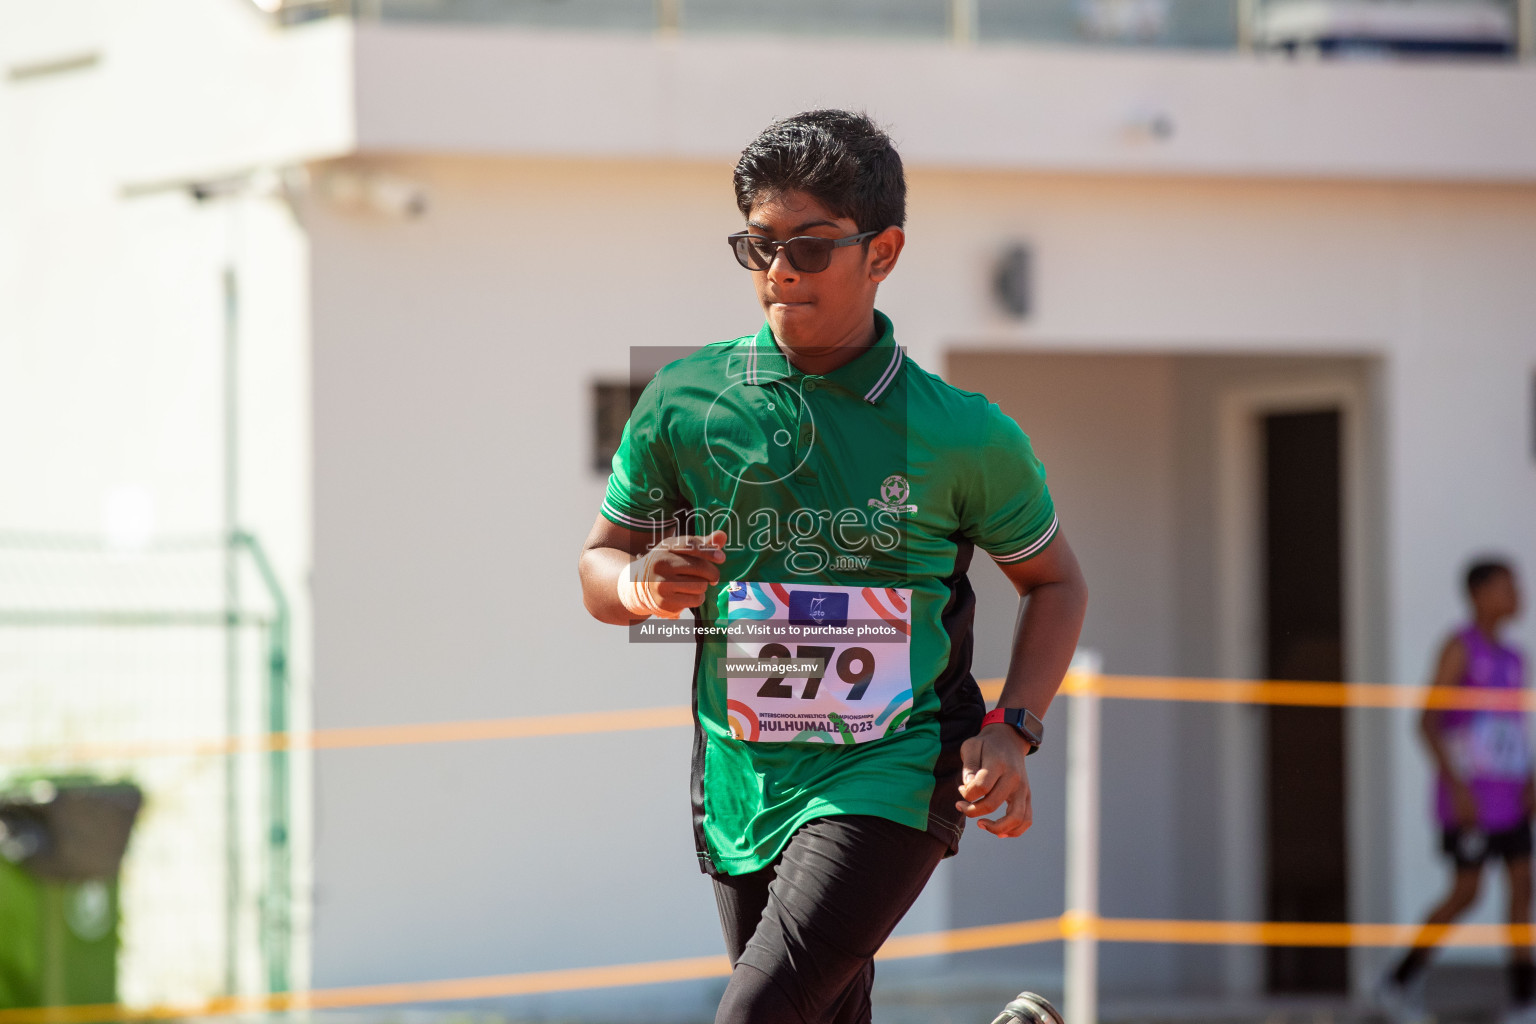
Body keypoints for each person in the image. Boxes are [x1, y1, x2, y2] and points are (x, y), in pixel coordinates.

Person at [577, 109, 1088, 1024]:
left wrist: (1015, 728)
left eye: (810, 248)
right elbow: (601, 564)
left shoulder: (961, 430)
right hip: (739, 779)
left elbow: (1056, 582)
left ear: (882, 252)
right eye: (759, 245)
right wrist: (641, 583)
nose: (779, 272)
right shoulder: (685, 399)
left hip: (893, 770)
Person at [1379, 559, 1533, 1024]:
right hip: (1471, 799)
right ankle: (1398, 981)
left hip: (1511, 798)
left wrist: (1529, 778)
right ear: (1479, 594)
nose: (1517, 597)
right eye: (1506, 588)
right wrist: (1457, 786)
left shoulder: (1515, 660)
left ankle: (1524, 996)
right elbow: (1427, 720)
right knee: (1467, 891)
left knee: (1521, 887)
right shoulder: (1459, 648)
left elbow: (1511, 728)